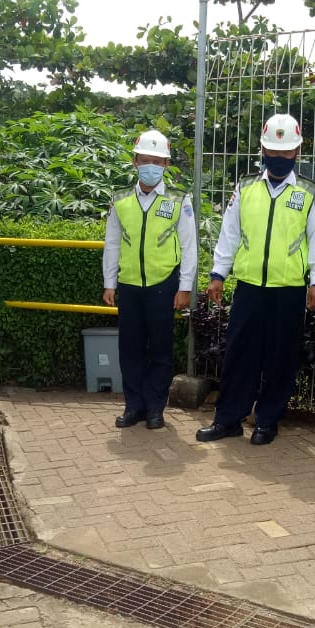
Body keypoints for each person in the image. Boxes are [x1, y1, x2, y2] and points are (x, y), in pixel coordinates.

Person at [195, 114, 315, 445]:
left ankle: (267, 421)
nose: (279, 157)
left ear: (297, 152)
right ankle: (228, 419)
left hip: (289, 290)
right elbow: (230, 233)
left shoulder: (309, 193)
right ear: (263, 150)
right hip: (250, 287)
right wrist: (218, 273)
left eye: (285, 152)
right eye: (273, 151)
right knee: (239, 354)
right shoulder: (245, 188)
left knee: (281, 358)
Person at [102, 130, 197, 430]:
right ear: (135, 162)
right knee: (129, 349)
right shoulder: (121, 200)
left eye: (157, 161)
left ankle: (155, 407)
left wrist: (184, 287)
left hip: (163, 285)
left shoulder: (178, 200)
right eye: (145, 160)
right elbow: (112, 243)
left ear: (166, 165)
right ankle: (134, 406)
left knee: (160, 349)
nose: (151, 167)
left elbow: (189, 247)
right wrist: (109, 283)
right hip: (129, 285)